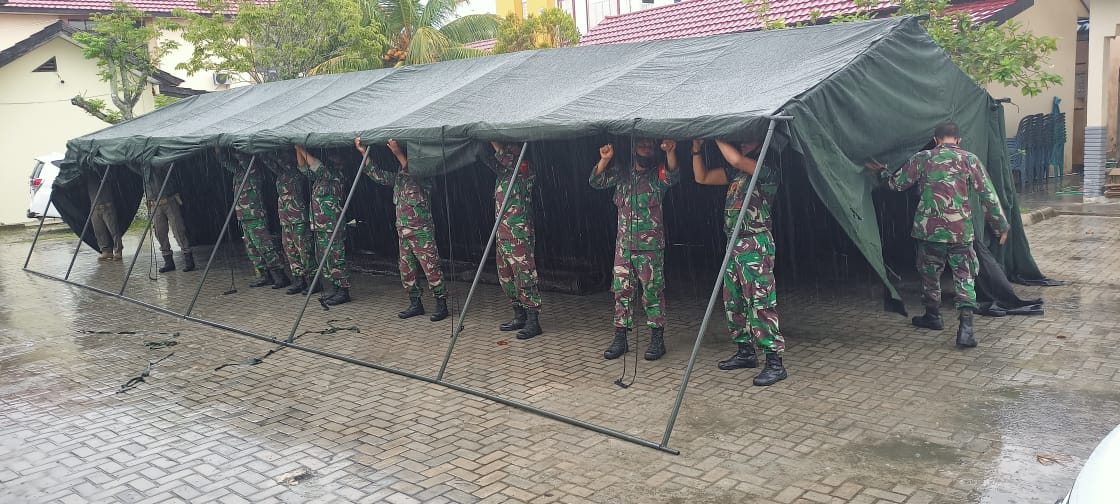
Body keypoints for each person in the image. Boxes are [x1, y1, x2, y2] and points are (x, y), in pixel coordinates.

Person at [866, 122, 1010, 348]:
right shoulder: (970, 159)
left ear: (935, 140)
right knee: (964, 276)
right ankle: (966, 328)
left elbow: (896, 184)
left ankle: (933, 315)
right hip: (960, 231)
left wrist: (881, 171)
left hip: (929, 230)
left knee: (930, 273)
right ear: (958, 140)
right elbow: (988, 195)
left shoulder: (923, 158)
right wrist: (1001, 225)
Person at [692, 138, 787, 386]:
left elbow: (735, 158)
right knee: (733, 300)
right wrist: (696, 150)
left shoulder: (767, 170)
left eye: (745, 139)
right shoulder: (736, 174)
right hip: (734, 243)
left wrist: (716, 135)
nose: (742, 143)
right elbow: (701, 177)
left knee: (760, 301)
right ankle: (745, 352)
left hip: (755, 243)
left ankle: (774, 362)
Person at [591, 138, 679, 361]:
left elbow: (673, 175)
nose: (646, 149)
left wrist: (670, 152)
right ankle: (620, 337)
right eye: (642, 145)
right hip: (624, 248)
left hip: (649, 249)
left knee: (652, 293)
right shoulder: (622, 174)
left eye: (650, 146)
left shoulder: (657, 175)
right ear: (633, 148)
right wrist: (604, 159)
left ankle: (657, 339)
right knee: (622, 292)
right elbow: (595, 181)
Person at [354, 137, 449, 322]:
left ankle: (441, 303)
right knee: (406, 270)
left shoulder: (423, 174)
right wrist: (363, 153)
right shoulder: (399, 177)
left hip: (421, 231)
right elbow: (377, 175)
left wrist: (398, 152)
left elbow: (412, 171)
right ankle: (415, 303)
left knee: (431, 268)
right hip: (403, 232)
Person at [482, 142, 543, 339]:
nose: (507, 149)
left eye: (512, 146)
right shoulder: (504, 173)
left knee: (524, 277)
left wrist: (494, 141)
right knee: (506, 277)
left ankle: (534, 320)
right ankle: (519, 315)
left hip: (518, 234)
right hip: (501, 234)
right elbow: (489, 159)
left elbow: (505, 158)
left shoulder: (525, 168)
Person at [217, 148, 290, 289]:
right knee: (252, 249)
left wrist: (235, 147)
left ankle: (280, 276)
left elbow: (244, 160)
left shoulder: (254, 172)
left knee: (265, 246)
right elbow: (225, 162)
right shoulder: (239, 174)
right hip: (243, 217)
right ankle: (265, 275)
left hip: (256, 217)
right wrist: (219, 150)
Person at [295, 145, 352, 306]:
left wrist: (301, 148)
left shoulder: (335, 175)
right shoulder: (321, 178)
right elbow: (303, 168)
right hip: (320, 226)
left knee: (336, 259)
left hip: (332, 226)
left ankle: (343, 291)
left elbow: (315, 165)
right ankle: (333, 288)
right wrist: (297, 149)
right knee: (325, 260)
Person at [264, 149, 319, 295]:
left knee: (304, 251)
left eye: (285, 157)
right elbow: (269, 163)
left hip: (298, 219)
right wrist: (262, 152)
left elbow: (280, 163)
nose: (282, 160)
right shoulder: (281, 175)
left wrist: (272, 152)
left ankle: (313, 281)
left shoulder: (296, 173)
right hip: (285, 220)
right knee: (290, 251)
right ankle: (299, 280)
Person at [140, 161, 194, 273]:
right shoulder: (143, 167)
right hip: (155, 204)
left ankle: (188, 259)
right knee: (160, 233)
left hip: (169, 200)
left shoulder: (161, 161)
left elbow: (169, 165)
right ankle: (168, 261)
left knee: (178, 230)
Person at [85, 166, 123, 261]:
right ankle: (106, 251)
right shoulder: (86, 174)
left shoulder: (104, 170)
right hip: (94, 208)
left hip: (107, 206)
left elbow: (113, 178)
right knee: (99, 231)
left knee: (113, 230)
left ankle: (118, 251)